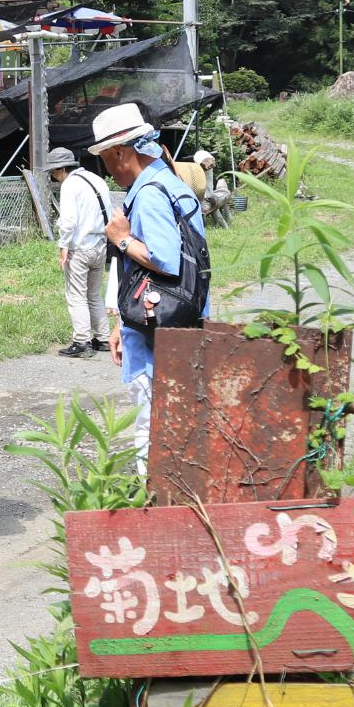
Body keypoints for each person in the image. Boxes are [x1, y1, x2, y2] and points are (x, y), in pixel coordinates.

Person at [94, 103, 209, 473]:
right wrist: (120, 323)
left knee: (153, 425)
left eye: (106, 158)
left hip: (157, 333)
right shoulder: (168, 183)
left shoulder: (150, 193)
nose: (107, 169)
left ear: (120, 152)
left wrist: (122, 239)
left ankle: (155, 504)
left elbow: (163, 259)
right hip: (173, 321)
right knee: (176, 418)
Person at [49, 145, 113, 358]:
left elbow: (68, 221)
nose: (52, 175)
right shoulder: (97, 180)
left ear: (62, 168)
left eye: (53, 171)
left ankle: (81, 341)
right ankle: (103, 338)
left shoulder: (70, 185)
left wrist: (63, 246)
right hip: (100, 245)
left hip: (80, 247)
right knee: (94, 294)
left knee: (76, 295)